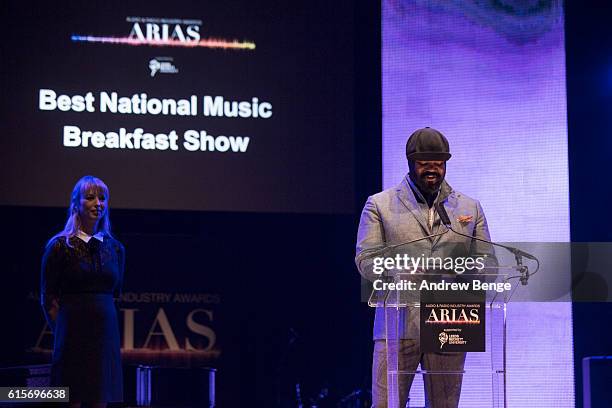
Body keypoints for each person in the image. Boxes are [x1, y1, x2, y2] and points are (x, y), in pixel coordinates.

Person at [355, 128, 496, 408]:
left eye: (439, 164)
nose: (432, 170)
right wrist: (406, 269)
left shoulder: (469, 207)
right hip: (398, 323)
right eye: (424, 164)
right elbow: (366, 259)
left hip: (451, 319)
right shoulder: (380, 205)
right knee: (386, 405)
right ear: (410, 163)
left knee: (445, 405)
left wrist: (462, 270)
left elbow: (488, 264)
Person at [41, 175, 124, 408]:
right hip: (72, 336)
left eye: (102, 198)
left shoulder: (115, 248)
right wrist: (64, 332)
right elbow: (47, 298)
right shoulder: (59, 246)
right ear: (76, 203)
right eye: (90, 198)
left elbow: (115, 293)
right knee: (71, 399)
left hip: (105, 336)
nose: (98, 203)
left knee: (100, 399)